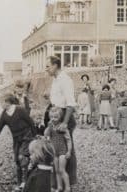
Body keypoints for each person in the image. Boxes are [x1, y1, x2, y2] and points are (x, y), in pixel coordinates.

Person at [0, 93, 35, 191]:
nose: (0, 104)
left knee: (22, 158)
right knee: (17, 161)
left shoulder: (20, 110)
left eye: (1, 102)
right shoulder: (4, 114)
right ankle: (19, 184)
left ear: (7, 102)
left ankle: (26, 182)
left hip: (27, 135)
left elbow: (31, 122)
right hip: (16, 138)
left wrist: (34, 136)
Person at [45, 56, 77, 185]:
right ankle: (59, 181)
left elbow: (70, 104)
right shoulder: (55, 80)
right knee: (56, 148)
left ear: (55, 65)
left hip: (64, 116)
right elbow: (58, 99)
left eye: (47, 66)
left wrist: (64, 122)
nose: (46, 69)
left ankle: (70, 181)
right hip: (56, 114)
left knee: (68, 149)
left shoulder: (65, 79)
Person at [44, 107, 72, 192]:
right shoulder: (51, 127)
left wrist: (69, 151)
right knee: (56, 170)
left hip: (62, 151)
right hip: (54, 152)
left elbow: (68, 140)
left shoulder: (62, 127)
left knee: (61, 170)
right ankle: (59, 187)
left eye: (56, 117)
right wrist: (48, 127)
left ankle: (67, 188)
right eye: (52, 117)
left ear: (60, 117)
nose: (53, 119)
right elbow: (46, 135)